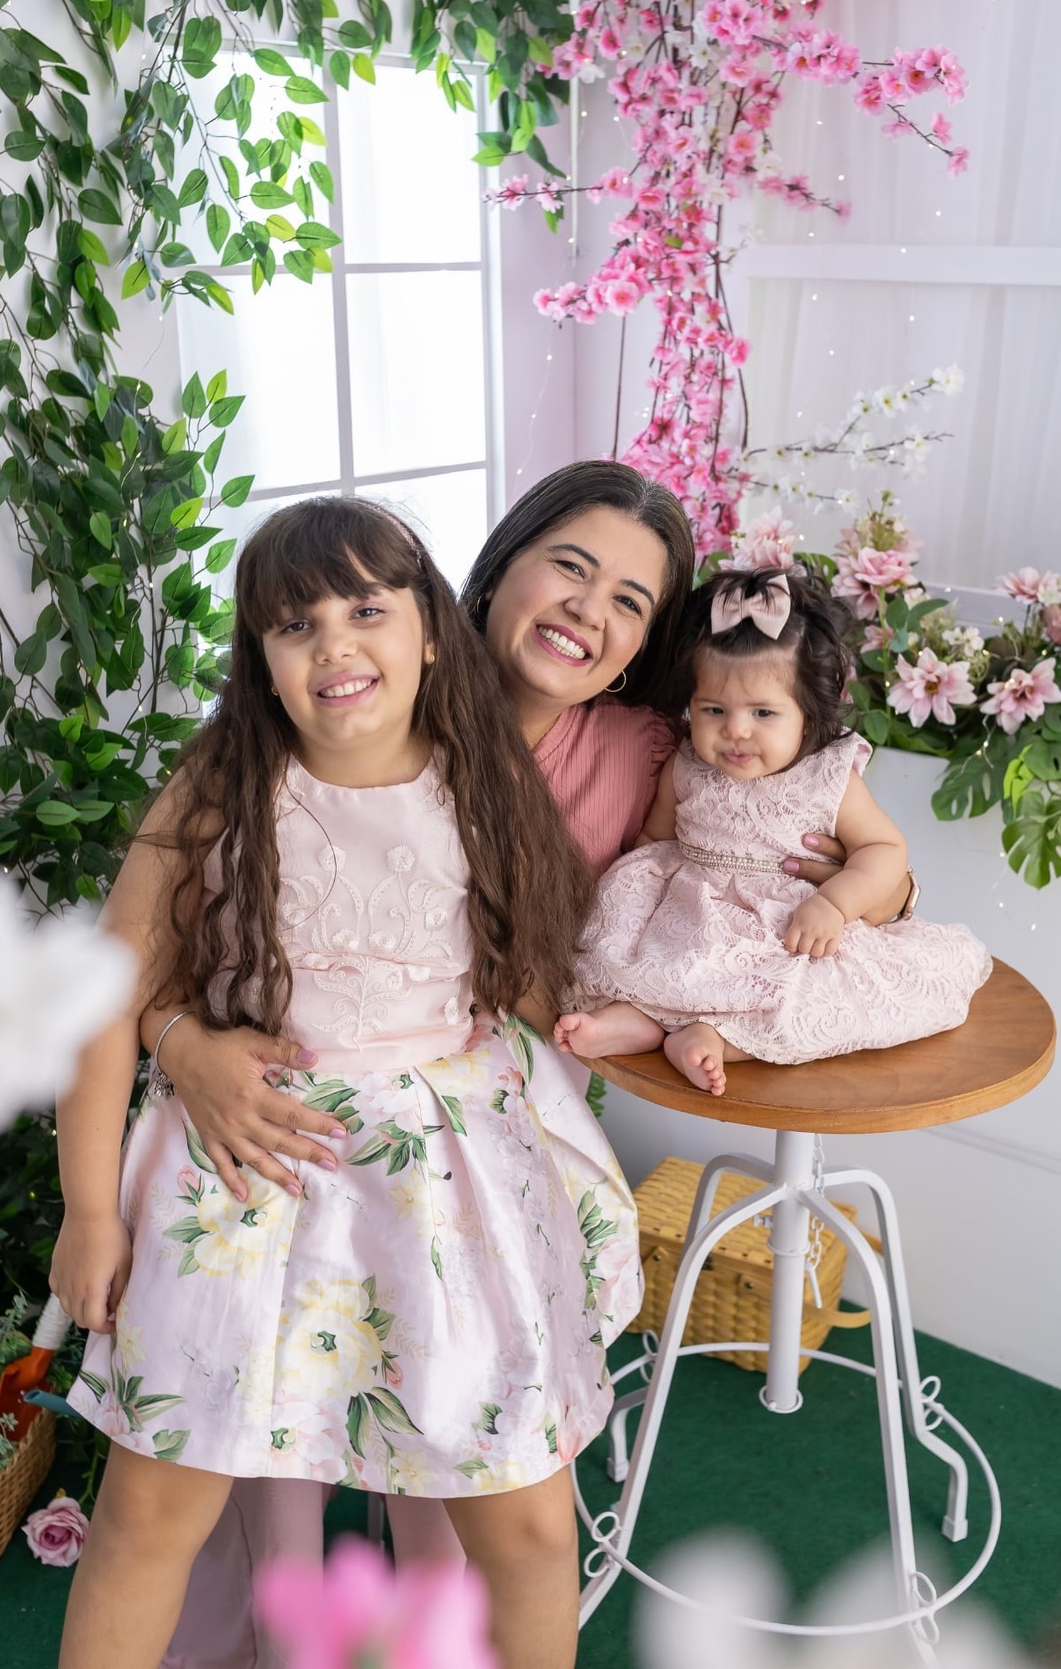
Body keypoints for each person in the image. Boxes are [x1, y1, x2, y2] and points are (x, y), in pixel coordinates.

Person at [149, 463, 914, 1669]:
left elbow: (812, 846)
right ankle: (281, 1623)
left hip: (482, 1123)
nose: (588, 611)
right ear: (498, 566)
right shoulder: (343, 696)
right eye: (570, 565)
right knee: (266, 1436)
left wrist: (862, 881)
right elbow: (188, 935)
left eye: (630, 601)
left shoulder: (658, 752)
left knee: (460, 1435)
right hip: (294, 1100)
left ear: (643, 648)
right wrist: (177, 1042)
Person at [50, 498, 641, 1669]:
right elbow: (105, 1000)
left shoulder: (486, 787)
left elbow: (526, 988)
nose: (334, 646)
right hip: (246, 1177)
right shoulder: (221, 788)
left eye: (366, 609)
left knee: (521, 1516)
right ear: (261, 664)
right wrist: (87, 1212)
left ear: (430, 630)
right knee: (152, 1510)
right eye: (293, 624)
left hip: (447, 1187)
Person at [556, 567, 991, 1093]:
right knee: (643, 969)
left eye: (763, 712)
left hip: (788, 925)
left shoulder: (829, 776)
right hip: (694, 914)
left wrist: (835, 904)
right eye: (713, 709)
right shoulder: (687, 762)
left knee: (801, 996)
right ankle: (632, 1022)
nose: (735, 730)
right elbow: (656, 839)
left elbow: (883, 847)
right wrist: (629, 898)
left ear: (808, 714)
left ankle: (712, 1037)